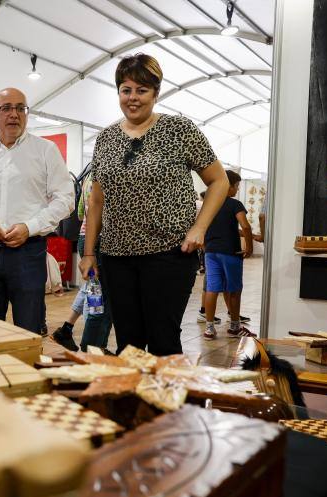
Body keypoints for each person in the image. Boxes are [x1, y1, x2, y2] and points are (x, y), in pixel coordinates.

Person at [79, 54, 229, 356]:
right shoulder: (106, 138)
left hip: (169, 255)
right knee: (128, 345)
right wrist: (89, 252)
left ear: (156, 93)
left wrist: (199, 228)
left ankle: (168, 403)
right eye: (126, 89)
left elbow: (219, 181)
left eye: (141, 90)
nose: (132, 98)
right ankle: (136, 402)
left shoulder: (179, 130)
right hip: (116, 258)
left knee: (163, 341)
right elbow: (96, 200)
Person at [0, 88, 74, 334]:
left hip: (28, 253)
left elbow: (66, 199)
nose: (14, 114)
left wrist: (30, 227)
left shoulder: (45, 151)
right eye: (6, 108)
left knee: (29, 332)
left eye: (21, 108)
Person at [51, 176, 113, 353]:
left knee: (92, 290)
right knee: (100, 301)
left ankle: (69, 331)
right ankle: (92, 347)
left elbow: (80, 213)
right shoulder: (104, 174)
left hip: (85, 238)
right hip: (99, 242)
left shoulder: (87, 177)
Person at [203, 170, 255, 340]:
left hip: (211, 251)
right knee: (234, 290)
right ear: (229, 185)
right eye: (237, 186)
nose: (237, 189)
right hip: (230, 252)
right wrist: (249, 247)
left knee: (212, 289)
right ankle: (234, 326)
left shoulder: (209, 203)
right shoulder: (235, 204)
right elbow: (245, 226)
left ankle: (209, 328)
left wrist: (206, 245)